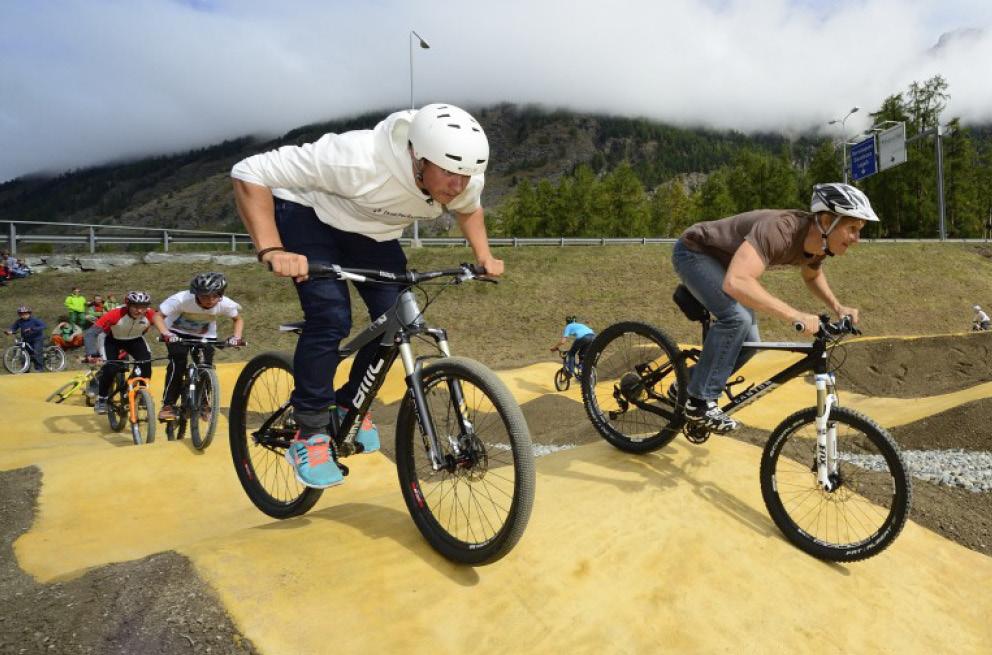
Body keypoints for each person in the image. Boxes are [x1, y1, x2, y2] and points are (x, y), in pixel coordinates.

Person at [231, 102, 502, 489]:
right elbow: (248, 171)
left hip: (373, 235)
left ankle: (346, 407)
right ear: (418, 156)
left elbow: (468, 209)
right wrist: (272, 249)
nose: (457, 185)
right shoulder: (356, 160)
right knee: (331, 315)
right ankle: (309, 432)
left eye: (466, 175)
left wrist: (484, 256)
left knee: (402, 321)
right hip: (309, 215)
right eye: (449, 173)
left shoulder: (459, 176)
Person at [670, 182, 878, 434]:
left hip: (728, 266)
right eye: (852, 229)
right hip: (695, 252)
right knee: (736, 319)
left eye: (859, 230)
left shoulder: (820, 245)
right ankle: (699, 403)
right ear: (826, 221)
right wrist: (794, 315)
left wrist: (838, 306)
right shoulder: (781, 230)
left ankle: (686, 384)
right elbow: (737, 281)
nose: (857, 239)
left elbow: (812, 276)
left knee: (750, 343)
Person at [156, 272, 244, 421]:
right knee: (178, 363)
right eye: (204, 296)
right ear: (195, 293)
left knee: (205, 367)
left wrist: (236, 337)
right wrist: (166, 334)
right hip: (176, 333)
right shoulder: (181, 299)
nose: (209, 300)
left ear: (221, 294)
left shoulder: (225, 303)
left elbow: (238, 320)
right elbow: (158, 316)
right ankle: (168, 405)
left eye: (214, 296)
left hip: (204, 336)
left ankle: (204, 404)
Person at [84, 291, 168, 414]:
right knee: (111, 367)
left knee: (146, 363)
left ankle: (141, 392)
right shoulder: (115, 314)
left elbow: (166, 328)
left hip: (135, 339)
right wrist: (91, 352)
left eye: (143, 307)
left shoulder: (150, 314)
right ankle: (102, 399)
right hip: (111, 339)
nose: (140, 311)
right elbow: (91, 333)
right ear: (127, 305)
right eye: (135, 307)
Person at [4, 306, 47, 371]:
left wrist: (32, 329)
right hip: (26, 339)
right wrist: (10, 331)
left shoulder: (35, 320)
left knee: (37, 352)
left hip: (37, 338)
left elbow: (43, 326)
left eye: (25, 314)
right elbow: (13, 328)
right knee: (24, 353)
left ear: (29, 313)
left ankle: (39, 369)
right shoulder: (19, 321)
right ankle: (25, 369)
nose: (23, 315)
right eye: (21, 314)